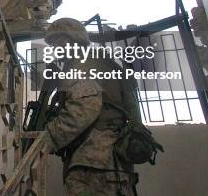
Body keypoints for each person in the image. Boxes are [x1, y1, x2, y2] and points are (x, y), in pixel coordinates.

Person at [43, 18, 139, 196]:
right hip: (109, 162)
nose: (55, 47)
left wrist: (46, 140)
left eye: (59, 40)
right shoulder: (102, 61)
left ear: (75, 39)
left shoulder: (83, 64)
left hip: (94, 163)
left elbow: (83, 110)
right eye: (53, 43)